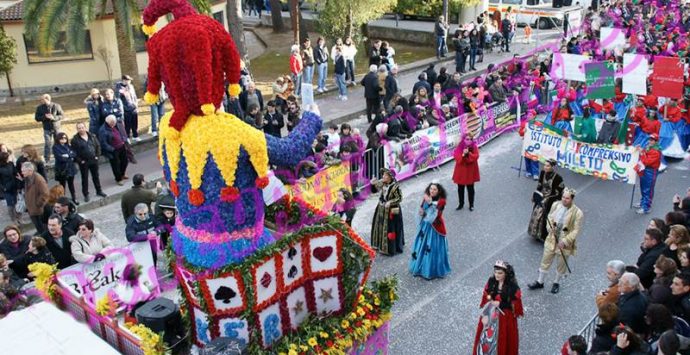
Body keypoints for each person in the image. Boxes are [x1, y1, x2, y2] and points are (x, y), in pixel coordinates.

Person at [528, 188, 583, 294]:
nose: (564, 200)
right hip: (551, 238)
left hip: (564, 242)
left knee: (561, 264)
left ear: (572, 199)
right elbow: (550, 216)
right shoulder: (556, 205)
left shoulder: (578, 213)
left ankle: (556, 282)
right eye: (563, 197)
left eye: (567, 198)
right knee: (545, 260)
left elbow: (576, 230)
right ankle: (540, 281)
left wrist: (565, 241)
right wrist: (549, 227)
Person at [472, 261, 523, 355]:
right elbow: (486, 293)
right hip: (490, 314)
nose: (497, 275)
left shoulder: (513, 287)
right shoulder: (491, 281)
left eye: (500, 273)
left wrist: (499, 304)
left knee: (501, 338)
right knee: (485, 336)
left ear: (506, 274)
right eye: (495, 272)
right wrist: (489, 299)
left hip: (504, 317)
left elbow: (515, 305)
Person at [409, 182, 451, 280]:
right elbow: (422, 211)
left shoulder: (441, 201)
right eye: (431, 189)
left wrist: (430, 204)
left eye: (434, 189)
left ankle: (431, 269)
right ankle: (420, 266)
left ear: (439, 191)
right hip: (425, 226)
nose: (432, 191)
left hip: (435, 228)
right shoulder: (426, 198)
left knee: (432, 248)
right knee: (421, 245)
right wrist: (421, 212)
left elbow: (437, 215)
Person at [527, 159, 565, 242]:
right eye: (545, 165)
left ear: (553, 167)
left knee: (545, 218)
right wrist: (535, 195)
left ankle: (544, 236)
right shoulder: (542, 173)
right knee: (536, 213)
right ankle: (535, 233)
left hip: (550, 200)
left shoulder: (558, 178)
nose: (545, 167)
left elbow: (559, 193)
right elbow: (540, 185)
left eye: (547, 166)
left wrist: (548, 199)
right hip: (541, 197)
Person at [370, 168, 404, 256]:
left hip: (390, 211)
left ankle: (389, 248)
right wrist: (373, 184)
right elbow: (374, 191)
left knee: (390, 228)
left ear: (390, 177)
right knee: (379, 225)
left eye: (385, 175)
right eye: (383, 175)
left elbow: (399, 198)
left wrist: (390, 202)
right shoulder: (382, 182)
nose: (383, 176)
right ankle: (379, 245)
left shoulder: (395, 186)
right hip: (381, 208)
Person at [71, 122, 106, 202]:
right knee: (85, 178)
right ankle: (86, 194)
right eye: (79, 128)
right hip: (84, 162)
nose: (81, 129)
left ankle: (99, 190)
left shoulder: (92, 136)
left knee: (96, 176)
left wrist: (97, 155)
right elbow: (74, 152)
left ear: (85, 128)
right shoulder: (75, 140)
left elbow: (98, 146)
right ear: (77, 129)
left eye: (82, 127)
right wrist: (80, 161)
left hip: (93, 159)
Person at [20, 162, 49, 235]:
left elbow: (45, 194)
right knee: (38, 227)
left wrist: (38, 204)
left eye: (23, 171)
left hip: (38, 209)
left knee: (42, 228)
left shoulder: (39, 179)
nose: (22, 173)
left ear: (30, 171)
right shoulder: (27, 178)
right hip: (32, 208)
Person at [99, 115, 129, 186]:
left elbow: (122, 132)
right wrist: (112, 149)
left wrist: (124, 139)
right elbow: (103, 143)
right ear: (108, 122)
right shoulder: (103, 130)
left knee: (125, 161)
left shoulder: (116, 125)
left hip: (121, 146)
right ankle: (118, 179)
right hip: (113, 150)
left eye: (114, 122)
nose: (114, 124)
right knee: (115, 165)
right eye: (112, 122)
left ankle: (122, 174)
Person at [636, 133, 662, 214]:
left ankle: (646, 207)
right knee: (643, 187)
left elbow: (647, 161)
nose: (650, 141)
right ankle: (643, 202)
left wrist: (642, 153)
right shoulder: (648, 147)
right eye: (650, 139)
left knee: (648, 189)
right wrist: (640, 149)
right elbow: (644, 155)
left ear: (656, 141)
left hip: (651, 171)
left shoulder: (656, 151)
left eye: (652, 140)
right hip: (644, 169)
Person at [452, 134, 480, 211]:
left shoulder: (474, 147)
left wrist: (469, 154)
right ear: (463, 140)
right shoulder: (459, 147)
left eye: (470, 139)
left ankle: (471, 204)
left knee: (470, 188)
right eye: (467, 139)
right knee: (460, 188)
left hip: (470, 171)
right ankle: (461, 204)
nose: (469, 141)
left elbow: (476, 156)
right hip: (461, 171)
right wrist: (463, 154)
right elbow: (457, 157)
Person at [34, 93, 63, 161]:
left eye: (42, 99)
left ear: (47, 99)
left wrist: (54, 118)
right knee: (47, 143)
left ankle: (59, 155)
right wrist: (44, 117)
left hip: (56, 127)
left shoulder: (56, 106)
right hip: (47, 128)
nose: (40, 100)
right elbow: (37, 118)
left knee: (58, 142)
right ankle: (47, 158)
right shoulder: (40, 108)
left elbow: (61, 115)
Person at [52, 132, 79, 204]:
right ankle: (63, 200)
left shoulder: (68, 146)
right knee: (62, 185)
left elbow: (74, 154)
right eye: (62, 138)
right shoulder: (56, 147)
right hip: (62, 169)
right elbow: (60, 158)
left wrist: (68, 155)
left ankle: (74, 198)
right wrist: (69, 156)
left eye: (65, 138)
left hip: (70, 168)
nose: (64, 139)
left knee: (71, 184)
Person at [115, 75, 140, 142]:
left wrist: (136, 103)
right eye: (128, 80)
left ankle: (135, 135)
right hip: (126, 109)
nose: (129, 82)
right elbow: (118, 99)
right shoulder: (119, 88)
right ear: (124, 80)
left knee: (135, 123)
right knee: (127, 124)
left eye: (129, 80)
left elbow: (134, 96)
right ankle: (127, 137)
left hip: (133, 107)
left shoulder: (131, 86)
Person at [0, 152, 19, 224]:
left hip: (14, 186)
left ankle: (18, 218)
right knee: (10, 204)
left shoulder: (10, 164)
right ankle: (13, 219)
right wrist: (3, 188)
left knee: (16, 203)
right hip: (6, 189)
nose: (9, 158)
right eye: (8, 157)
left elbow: (15, 173)